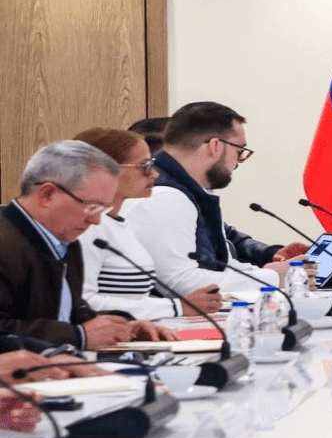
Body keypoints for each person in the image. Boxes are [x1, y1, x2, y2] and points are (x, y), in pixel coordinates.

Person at [0, 141, 179, 349]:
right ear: (47, 194)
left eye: (104, 208)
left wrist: (122, 326)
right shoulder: (6, 243)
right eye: (92, 206)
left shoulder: (63, 239)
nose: (96, 221)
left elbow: (68, 312)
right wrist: (78, 336)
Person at [125, 102, 306, 294]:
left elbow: (220, 266)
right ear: (215, 146)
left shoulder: (193, 194)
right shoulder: (165, 197)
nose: (238, 162)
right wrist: (272, 277)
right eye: (239, 151)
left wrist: (272, 272)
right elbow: (180, 283)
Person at [74, 127, 225, 319]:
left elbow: (135, 300)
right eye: (144, 166)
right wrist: (176, 306)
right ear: (105, 170)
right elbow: (83, 302)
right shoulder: (87, 227)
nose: (154, 174)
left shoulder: (118, 223)